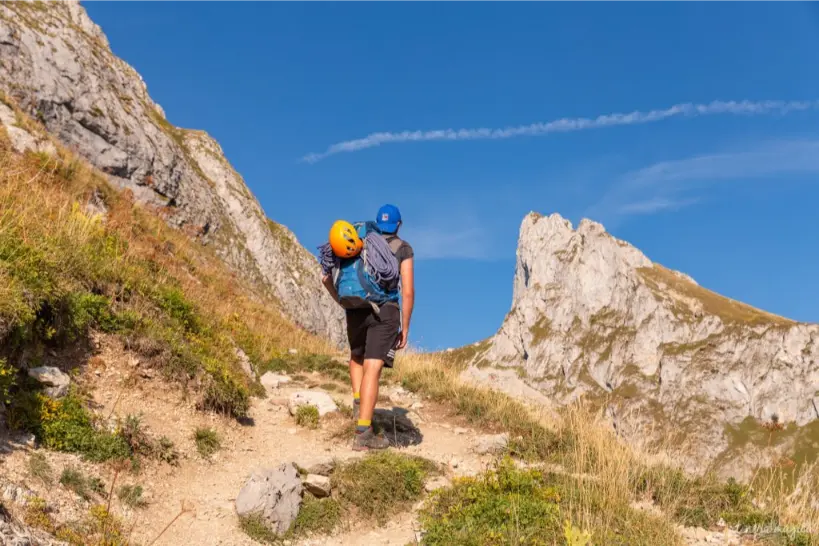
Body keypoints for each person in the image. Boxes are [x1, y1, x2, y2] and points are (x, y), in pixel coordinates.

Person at [321, 204, 415, 451]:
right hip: (384, 310)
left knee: (356, 356)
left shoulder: (358, 243)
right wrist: (405, 327)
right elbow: (407, 291)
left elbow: (327, 278)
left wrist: (341, 300)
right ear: (398, 224)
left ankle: (357, 403)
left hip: (355, 308)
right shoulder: (402, 248)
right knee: (373, 367)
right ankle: (364, 432)